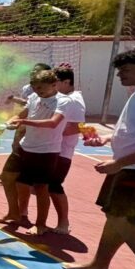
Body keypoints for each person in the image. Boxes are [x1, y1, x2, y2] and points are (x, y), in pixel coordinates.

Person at [66, 48, 135, 269]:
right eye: (119, 70)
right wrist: (106, 138)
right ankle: (100, 264)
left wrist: (118, 163)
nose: (120, 75)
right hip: (130, 168)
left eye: (126, 70)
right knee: (114, 217)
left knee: (125, 220)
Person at [2, 70, 68, 234]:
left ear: (54, 85)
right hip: (25, 147)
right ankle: (14, 213)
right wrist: (10, 121)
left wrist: (23, 121)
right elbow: (22, 113)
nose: (38, 91)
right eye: (36, 88)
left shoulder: (63, 101)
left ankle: (40, 225)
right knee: (8, 177)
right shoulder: (33, 97)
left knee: (40, 188)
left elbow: (53, 123)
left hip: (46, 151)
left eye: (42, 88)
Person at [47, 64, 85, 234]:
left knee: (54, 186)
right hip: (52, 149)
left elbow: (77, 127)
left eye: (56, 83)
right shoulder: (62, 97)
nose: (53, 87)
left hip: (62, 152)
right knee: (45, 185)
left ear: (67, 82)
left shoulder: (74, 100)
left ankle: (64, 223)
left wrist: (46, 129)